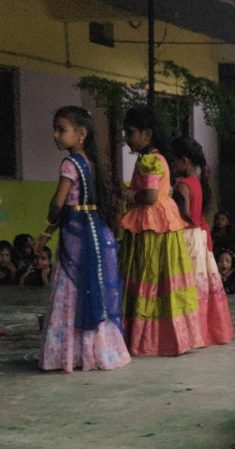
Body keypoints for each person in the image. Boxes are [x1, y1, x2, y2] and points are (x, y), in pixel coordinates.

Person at [39, 106, 129, 372]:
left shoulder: (69, 164)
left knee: (71, 288)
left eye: (61, 130)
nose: (55, 135)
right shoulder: (92, 162)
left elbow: (58, 204)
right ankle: (101, 352)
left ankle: (67, 354)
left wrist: (48, 226)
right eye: (55, 129)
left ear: (81, 134)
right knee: (95, 288)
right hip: (97, 232)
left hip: (77, 235)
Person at [117, 106, 200, 356]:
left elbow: (150, 196)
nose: (127, 138)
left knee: (149, 277)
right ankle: (169, 339)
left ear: (147, 134)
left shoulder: (150, 160)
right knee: (163, 282)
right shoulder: (159, 158)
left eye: (130, 132)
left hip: (151, 225)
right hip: (162, 222)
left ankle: (146, 339)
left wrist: (126, 193)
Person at [168, 136, 234, 348]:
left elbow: (184, 214)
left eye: (175, 160)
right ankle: (205, 331)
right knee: (202, 287)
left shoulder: (183, 185)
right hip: (201, 236)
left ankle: (190, 333)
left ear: (184, 160)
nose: (172, 164)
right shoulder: (198, 181)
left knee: (188, 286)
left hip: (188, 237)